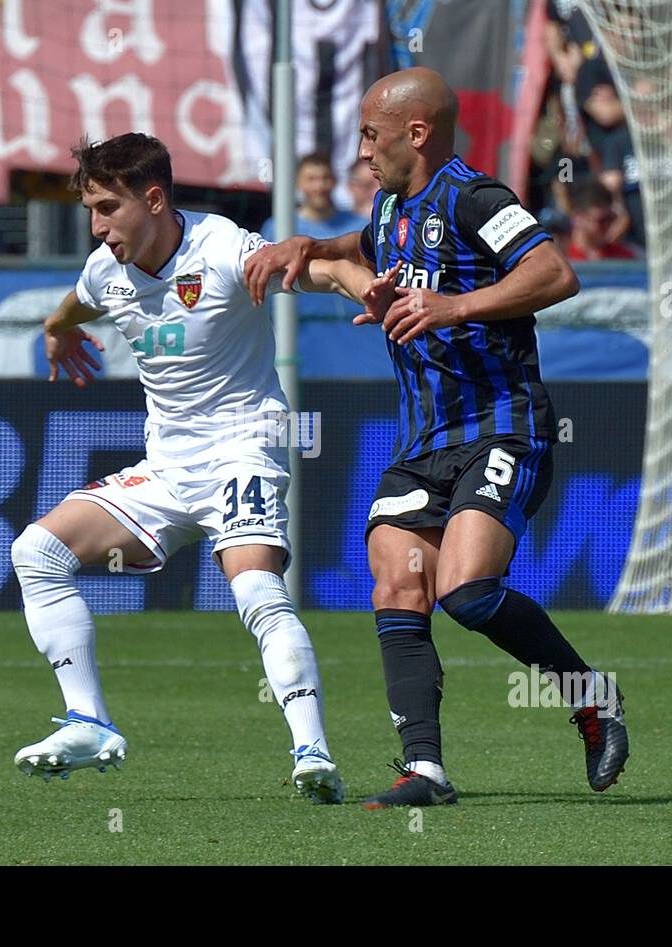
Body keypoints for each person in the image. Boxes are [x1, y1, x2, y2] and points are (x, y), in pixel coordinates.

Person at [244, 67, 629, 808]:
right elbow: (363, 242)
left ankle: (592, 699)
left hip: (502, 428)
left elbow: (555, 272)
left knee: (467, 591)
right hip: (423, 439)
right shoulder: (391, 205)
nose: (361, 150)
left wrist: (457, 307)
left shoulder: (478, 198)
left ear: (415, 133)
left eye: (370, 133)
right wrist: (307, 242)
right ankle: (425, 769)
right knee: (396, 583)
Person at [10, 132, 378, 803]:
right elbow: (79, 303)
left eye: (106, 208)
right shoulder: (106, 269)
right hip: (168, 467)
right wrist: (57, 328)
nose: (97, 226)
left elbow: (318, 272)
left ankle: (313, 750)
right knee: (37, 552)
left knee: (255, 593)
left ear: (153, 199)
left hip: (244, 448)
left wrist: (365, 287)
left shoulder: (224, 249)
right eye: (90, 210)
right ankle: (90, 723)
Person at [261, 152, 366, 241]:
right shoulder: (275, 227)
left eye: (325, 178)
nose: (319, 186)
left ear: (335, 181)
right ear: (298, 183)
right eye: (311, 179)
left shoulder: (359, 227)